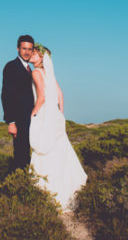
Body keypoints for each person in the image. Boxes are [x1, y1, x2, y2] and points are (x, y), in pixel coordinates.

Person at [28, 43, 87, 210]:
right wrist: (60, 113)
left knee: (45, 151)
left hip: (44, 114)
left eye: (36, 53)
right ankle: (65, 191)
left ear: (41, 58)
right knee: (60, 151)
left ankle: (48, 193)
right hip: (54, 115)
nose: (33, 55)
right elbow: (60, 94)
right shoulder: (50, 74)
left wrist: (33, 114)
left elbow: (42, 97)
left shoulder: (36, 72)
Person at [1, 35, 36, 170]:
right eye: (24, 48)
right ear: (18, 49)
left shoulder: (30, 69)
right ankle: (19, 184)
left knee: (27, 152)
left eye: (30, 49)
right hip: (19, 120)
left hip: (30, 118)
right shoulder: (11, 67)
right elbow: (6, 95)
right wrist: (11, 122)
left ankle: (27, 180)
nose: (27, 52)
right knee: (20, 154)